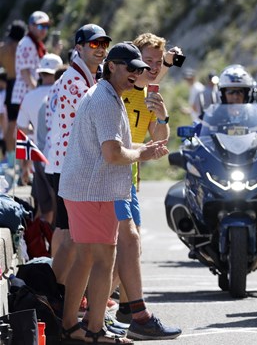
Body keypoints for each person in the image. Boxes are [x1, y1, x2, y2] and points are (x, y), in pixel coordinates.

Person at [58, 41, 167, 344]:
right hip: (93, 191)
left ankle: (71, 326)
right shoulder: (106, 99)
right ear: (112, 67)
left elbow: (117, 149)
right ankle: (94, 330)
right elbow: (113, 153)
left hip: (86, 189)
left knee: (86, 258)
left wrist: (144, 149)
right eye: (131, 67)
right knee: (103, 258)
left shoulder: (107, 94)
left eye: (140, 69)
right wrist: (142, 155)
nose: (136, 73)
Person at [114, 33, 182, 340]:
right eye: (148, 62)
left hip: (131, 177)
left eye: (158, 62)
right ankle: (113, 311)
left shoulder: (147, 90)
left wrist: (163, 115)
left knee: (131, 245)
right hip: (113, 176)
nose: (154, 67)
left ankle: (124, 308)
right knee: (123, 245)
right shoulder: (123, 89)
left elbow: (159, 136)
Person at [45, 24, 111, 287]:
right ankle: (56, 292)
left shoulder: (84, 76)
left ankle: (59, 293)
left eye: (104, 44)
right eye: (94, 44)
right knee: (71, 236)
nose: (101, 49)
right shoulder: (74, 81)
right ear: (79, 47)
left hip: (66, 163)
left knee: (68, 232)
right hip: (68, 165)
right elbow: (94, 119)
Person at [16, 53, 62, 224]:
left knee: (44, 209)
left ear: (40, 74)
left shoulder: (29, 97)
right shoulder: (61, 93)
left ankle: (45, 245)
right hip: (58, 157)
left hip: (37, 156)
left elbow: (21, 131)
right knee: (60, 209)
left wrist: (24, 166)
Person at [10, 12, 49, 169]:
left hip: (27, 92)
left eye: (46, 26)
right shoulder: (27, 43)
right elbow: (26, 72)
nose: (43, 30)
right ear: (31, 26)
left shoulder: (36, 43)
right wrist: (36, 93)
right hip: (25, 92)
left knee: (27, 131)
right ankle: (24, 169)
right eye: (40, 26)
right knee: (25, 131)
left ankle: (26, 169)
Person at [0, 20, 27, 163]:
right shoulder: (24, 48)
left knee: (10, 124)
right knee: (26, 122)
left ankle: (11, 160)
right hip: (22, 84)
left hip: (10, 84)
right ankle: (24, 160)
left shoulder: (3, 49)